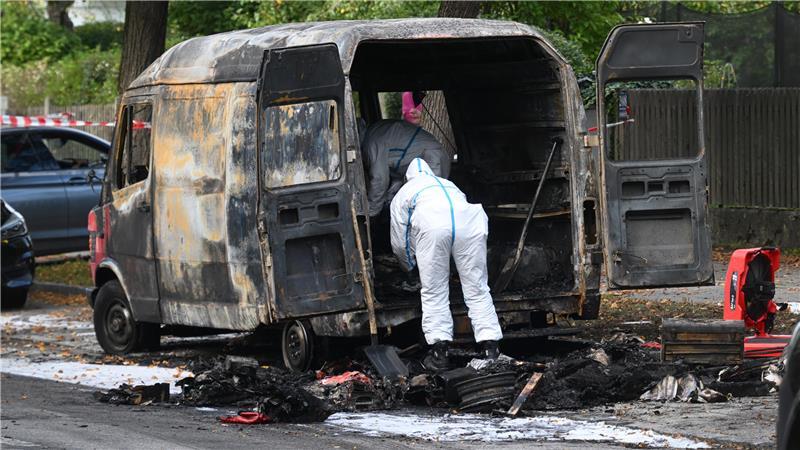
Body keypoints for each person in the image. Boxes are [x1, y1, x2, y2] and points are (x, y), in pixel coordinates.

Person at [390, 158, 502, 371]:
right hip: (471, 223)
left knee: (434, 290)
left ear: (408, 177)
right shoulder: (448, 184)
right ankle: (491, 348)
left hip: (432, 226)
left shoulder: (404, 193)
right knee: (477, 288)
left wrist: (409, 266)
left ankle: (439, 354)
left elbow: (399, 240)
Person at [361, 119, 450, 217]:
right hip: (433, 154)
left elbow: (380, 178)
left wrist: (371, 211)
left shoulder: (372, 142)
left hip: (430, 159)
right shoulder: (376, 130)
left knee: (426, 210)